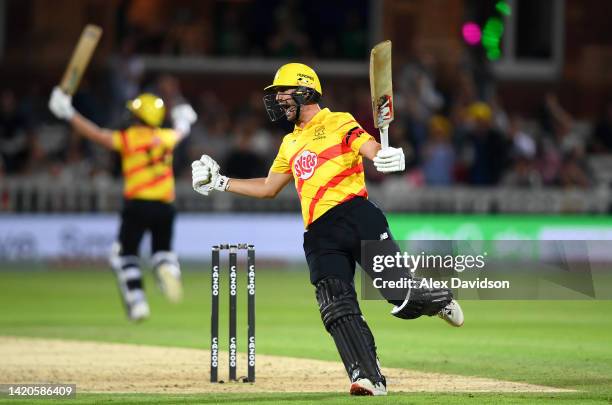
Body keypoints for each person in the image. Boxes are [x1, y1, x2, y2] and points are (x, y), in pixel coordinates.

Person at [191, 63, 463, 396]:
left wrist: (385, 155)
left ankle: (439, 299)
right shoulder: (289, 143)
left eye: (283, 92)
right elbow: (267, 187)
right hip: (320, 234)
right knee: (336, 305)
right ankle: (368, 377)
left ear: (305, 91)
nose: (277, 99)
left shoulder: (338, 120)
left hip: (357, 216)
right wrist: (220, 181)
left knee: (400, 295)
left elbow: (368, 146)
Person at [48, 87, 197, 322]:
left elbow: (95, 134)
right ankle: (167, 268)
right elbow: (181, 131)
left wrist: (68, 113)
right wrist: (184, 119)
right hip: (165, 206)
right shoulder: (166, 137)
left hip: (137, 204)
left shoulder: (129, 138)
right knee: (162, 251)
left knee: (125, 255)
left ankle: (137, 302)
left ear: (139, 117)